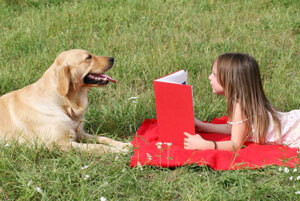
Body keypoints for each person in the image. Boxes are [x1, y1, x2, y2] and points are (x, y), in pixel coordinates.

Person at [184, 52, 300, 151]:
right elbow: (236, 129)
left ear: (230, 81)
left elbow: (235, 145)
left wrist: (205, 145)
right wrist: (202, 126)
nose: (209, 77)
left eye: (214, 74)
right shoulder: (245, 101)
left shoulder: (240, 106)